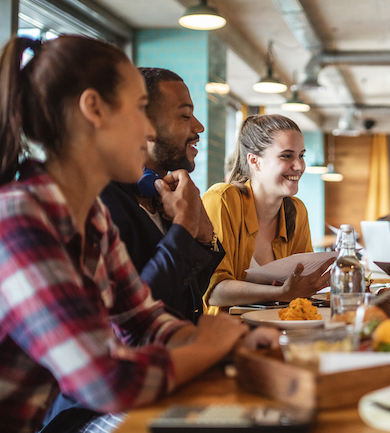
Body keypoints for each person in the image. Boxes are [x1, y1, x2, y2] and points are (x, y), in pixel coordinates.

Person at [0, 36, 276, 433]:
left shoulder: (92, 215)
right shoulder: (21, 220)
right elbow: (106, 381)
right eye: (139, 110)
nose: (148, 130)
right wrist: (207, 346)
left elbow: (143, 318)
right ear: (93, 108)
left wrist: (227, 341)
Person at [97, 67, 222, 323]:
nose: (199, 127)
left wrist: (205, 236)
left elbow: (189, 293)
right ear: (143, 123)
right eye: (185, 116)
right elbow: (139, 315)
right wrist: (184, 225)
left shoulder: (168, 194)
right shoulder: (105, 202)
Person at [202, 114, 333, 314]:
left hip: (280, 329)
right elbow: (213, 291)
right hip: (226, 333)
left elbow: (301, 285)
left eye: (301, 155)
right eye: (286, 155)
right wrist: (280, 293)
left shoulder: (297, 210)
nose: (299, 166)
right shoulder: (222, 200)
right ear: (254, 161)